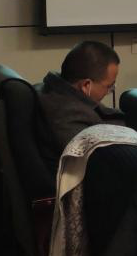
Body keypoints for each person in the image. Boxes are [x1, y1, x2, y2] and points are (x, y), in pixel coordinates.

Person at [36, 40, 123, 170]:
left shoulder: (50, 89)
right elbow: (99, 164)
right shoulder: (68, 115)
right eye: (109, 86)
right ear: (86, 85)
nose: (109, 91)